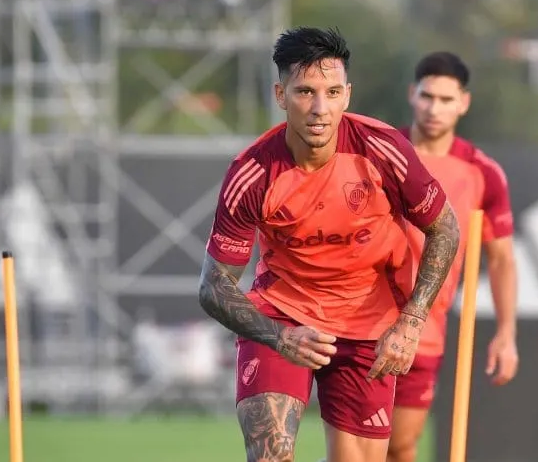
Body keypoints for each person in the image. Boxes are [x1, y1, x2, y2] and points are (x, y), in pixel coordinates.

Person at [197, 27, 461, 462]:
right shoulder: (253, 172)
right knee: (270, 454)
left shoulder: (383, 149)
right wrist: (280, 337)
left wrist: (412, 321)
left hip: (369, 322)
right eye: (305, 92)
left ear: (347, 95)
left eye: (332, 92)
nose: (320, 109)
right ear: (281, 95)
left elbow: (446, 228)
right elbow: (213, 286)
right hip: (283, 315)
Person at [387, 52, 520, 462]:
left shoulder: (482, 172)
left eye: (446, 100)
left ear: (464, 103)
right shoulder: (382, 153)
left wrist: (506, 333)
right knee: (359, 450)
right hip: (363, 318)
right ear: (412, 94)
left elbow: (501, 259)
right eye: (427, 96)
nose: (434, 109)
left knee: (400, 445)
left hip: (426, 326)